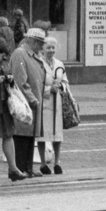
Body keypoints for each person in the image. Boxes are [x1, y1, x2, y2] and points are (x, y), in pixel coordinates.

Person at [10, 27, 47, 177]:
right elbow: (20, 80)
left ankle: (28, 167)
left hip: (33, 102)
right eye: (40, 43)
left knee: (30, 135)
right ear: (31, 41)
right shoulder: (20, 53)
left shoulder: (34, 55)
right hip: (24, 103)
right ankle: (20, 168)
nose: (41, 46)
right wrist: (31, 98)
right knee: (22, 135)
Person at [0, 36, 23, 181]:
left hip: (4, 102)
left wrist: (9, 78)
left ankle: (13, 169)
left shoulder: (4, 61)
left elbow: (9, 72)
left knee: (8, 134)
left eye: (4, 54)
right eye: (1, 54)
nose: (3, 57)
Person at [36, 36, 68, 174]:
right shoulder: (38, 63)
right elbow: (36, 84)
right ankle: (43, 163)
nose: (51, 50)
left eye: (53, 48)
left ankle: (57, 162)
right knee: (42, 134)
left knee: (57, 135)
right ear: (43, 48)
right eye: (48, 47)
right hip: (44, 102)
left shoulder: (60, 64)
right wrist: (49, 90)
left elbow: (66, 82)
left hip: (57, 103)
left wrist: (60, 87)